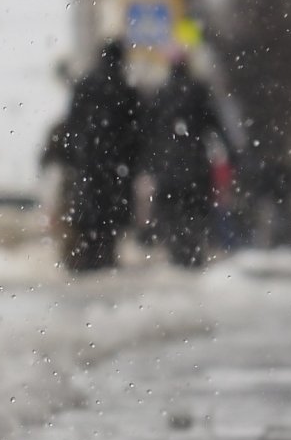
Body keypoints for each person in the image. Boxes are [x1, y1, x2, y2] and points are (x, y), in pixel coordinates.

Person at [46, 40, 144, 272]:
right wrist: (132, 162)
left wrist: (73, 158)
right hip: (116, 170)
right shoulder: (125, 88)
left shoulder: (85, 85)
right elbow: (136, 133)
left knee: (87, 222)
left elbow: (71, 127)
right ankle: (105, 262)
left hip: (87, 167)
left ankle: (86, 263)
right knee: (109, 227)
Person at [145, 54, 233, 268]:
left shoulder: (161, 95)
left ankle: (177, 250)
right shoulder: (198, 92)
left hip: (167, 167)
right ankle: (192, 251)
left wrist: (149, 162)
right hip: (195, 165)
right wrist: (231, 153)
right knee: (195, 211)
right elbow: (214, 125)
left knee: (172, 213)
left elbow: (148, 131)